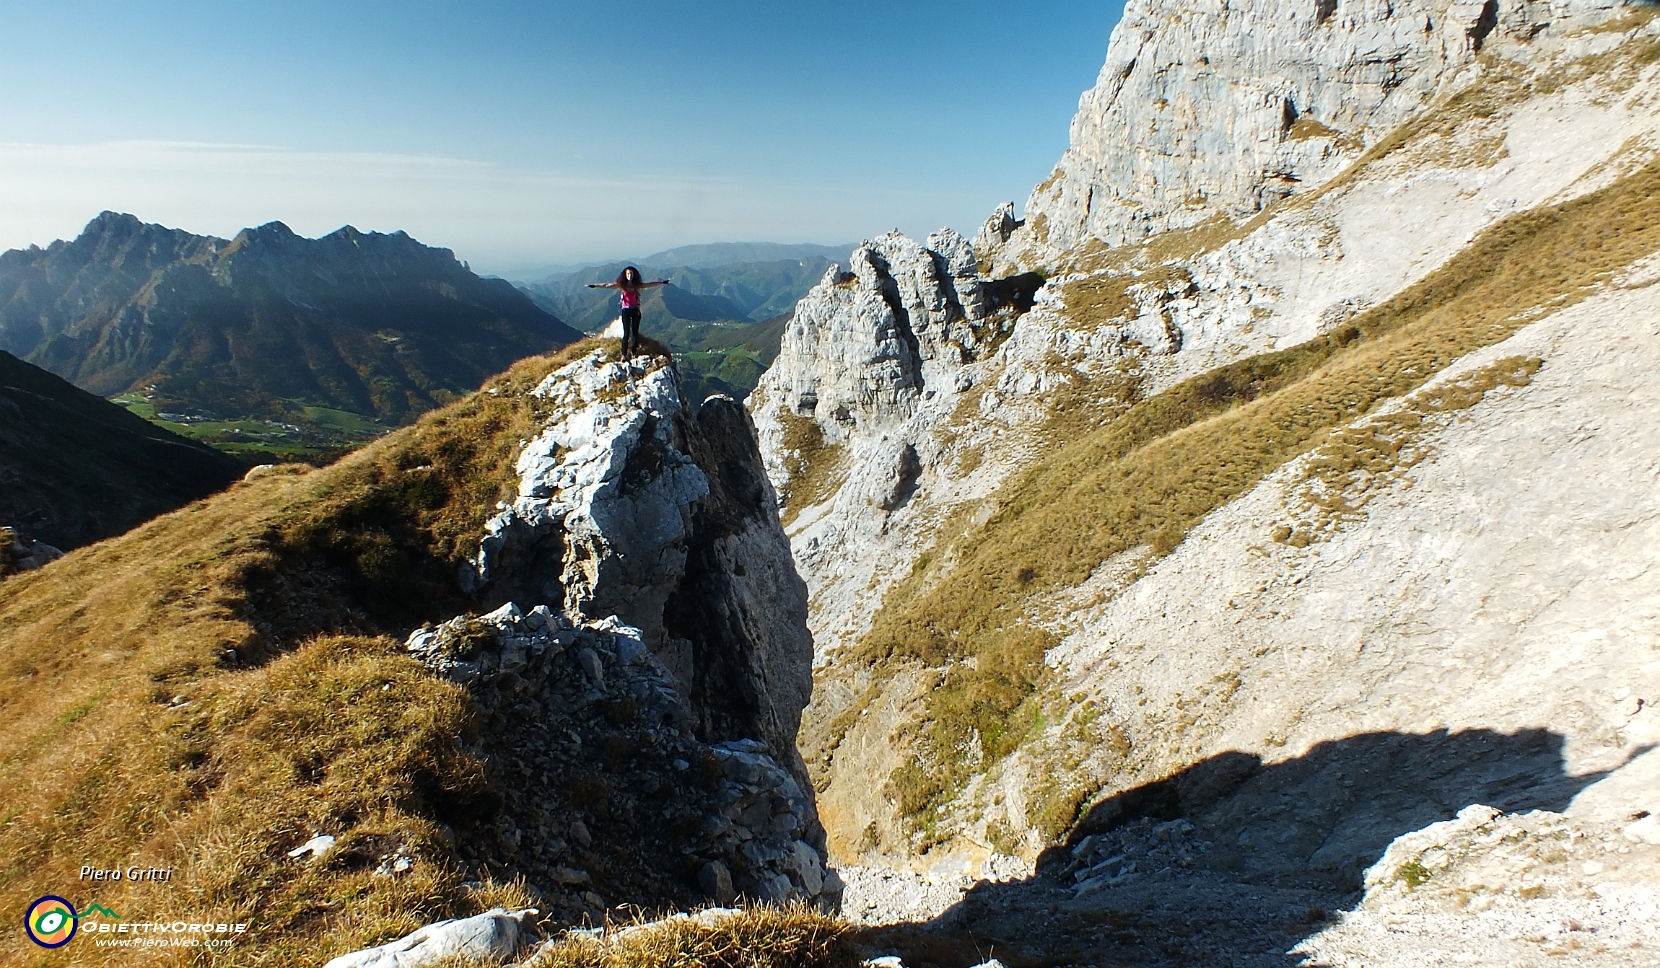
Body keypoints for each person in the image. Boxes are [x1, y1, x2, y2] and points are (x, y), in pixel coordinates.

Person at [587, 267, 669, 360]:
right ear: (625, 275)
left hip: (635, 310)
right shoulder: (622, 285)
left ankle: (634, 352)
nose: (630, 275)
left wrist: (662, 282)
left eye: (631, 274)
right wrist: (595, 285)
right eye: (628, 274)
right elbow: (607, 285)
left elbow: (649, 284)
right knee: (626, 333)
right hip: (625, 310)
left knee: (635, 332)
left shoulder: (636, 285)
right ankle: (624, 354)